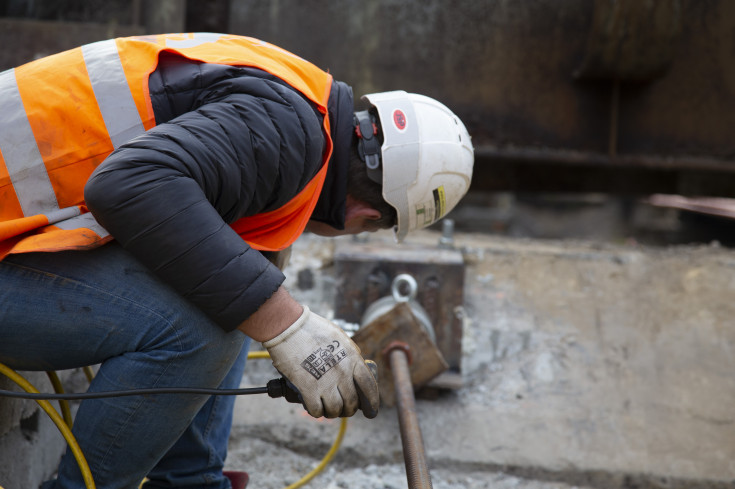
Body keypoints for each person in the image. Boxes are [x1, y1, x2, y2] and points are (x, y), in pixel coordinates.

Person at [0, 33, 473, 489]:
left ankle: (189, 482)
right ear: (369, 217)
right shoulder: (288, 133)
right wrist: (287, 325)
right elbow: (126, 186)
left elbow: (220, 265)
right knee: (196, 331)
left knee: (232, 292)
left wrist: (274, 308)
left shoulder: (298, 97)